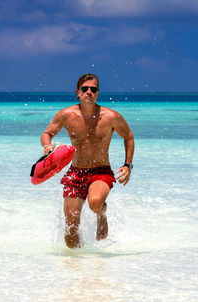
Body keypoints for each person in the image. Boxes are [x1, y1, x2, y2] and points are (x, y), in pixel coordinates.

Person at [40, 73, 134, 248]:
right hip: (75, 173)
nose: (89, 92)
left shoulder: (110, 116)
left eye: (93, 89)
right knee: (71, 232)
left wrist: (128, 165)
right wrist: (47, 146)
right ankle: (81, 268)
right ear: (78, 91)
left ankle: (102, 215)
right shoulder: (66, 115)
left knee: (95, 202)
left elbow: (128, 136)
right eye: (85, 89)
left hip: (101, 172)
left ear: (98, 92)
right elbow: (47, 133)